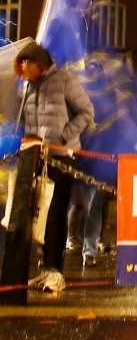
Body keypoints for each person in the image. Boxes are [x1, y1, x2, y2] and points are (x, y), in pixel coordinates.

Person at [15, 42, 95, 293]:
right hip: (35, 158)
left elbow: (86, 111)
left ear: (40, 62)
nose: (24, 68)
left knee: (56, 213)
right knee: (37, 213)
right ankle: (46, 268)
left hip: (60, 157)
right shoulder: (27, 86)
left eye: (28, 62)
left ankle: (55, 271)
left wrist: (63, 137)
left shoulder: (65, 80)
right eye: (22, 63)